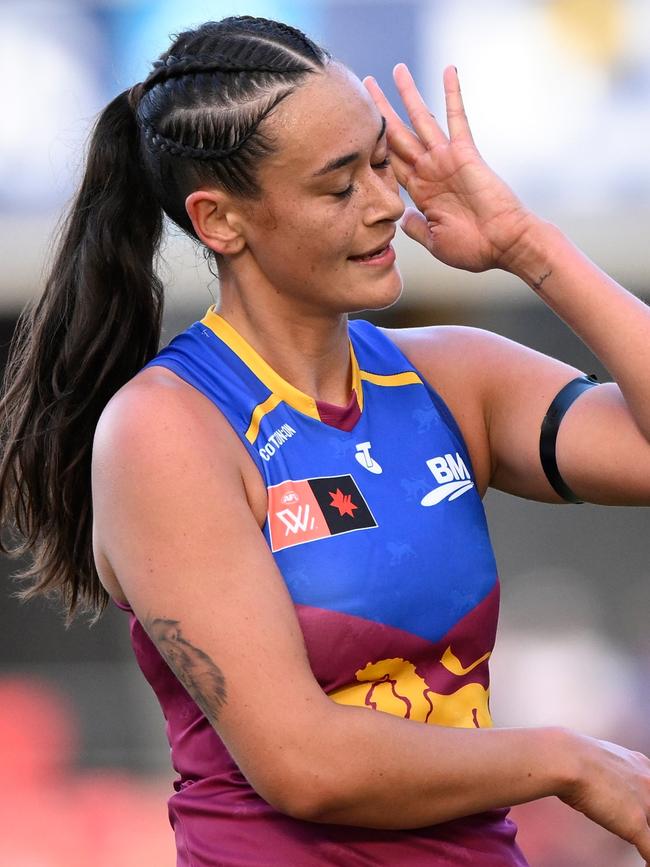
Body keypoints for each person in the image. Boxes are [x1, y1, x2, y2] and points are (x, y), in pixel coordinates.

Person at [1, 14, 649, 867]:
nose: (388, 203)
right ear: (221, 221)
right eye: (340, 185)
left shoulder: (451, 377)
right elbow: (304, 764)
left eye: (382, 161)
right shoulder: (168, 429)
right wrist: (568, 760)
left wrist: (529, 247)